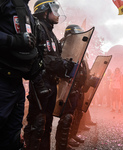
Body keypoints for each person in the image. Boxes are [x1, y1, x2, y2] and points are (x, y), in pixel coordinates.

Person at [23, 1, 74, 149]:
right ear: (45, 11)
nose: (57, 14)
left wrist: (64, 65)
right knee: (37, 123)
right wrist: (58, 64)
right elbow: (36, 55)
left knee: (47, 124)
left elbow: (54, 57)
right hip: (40, 82)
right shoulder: (37, 27)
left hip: (51, 83)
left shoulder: (51, 33)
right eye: (55, 10)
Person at [0, 0, 42, 149]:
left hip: (17, 84)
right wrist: (13, 40)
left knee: (13, 139)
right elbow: (18, 40)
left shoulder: (25, 8)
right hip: (2, 80)